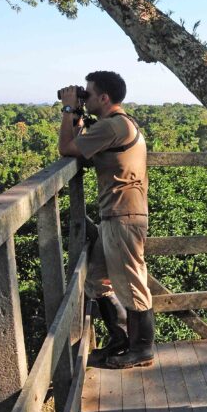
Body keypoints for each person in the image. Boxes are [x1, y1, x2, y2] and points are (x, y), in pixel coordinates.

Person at [58, 71, 154, 369]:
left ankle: (142, 348)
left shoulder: (114, 126)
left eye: (87, 94)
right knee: (98, 278)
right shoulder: (116, 126)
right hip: (115, 215)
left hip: (123, 216)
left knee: (132, 281)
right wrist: (77, 117)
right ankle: (120, 340)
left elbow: (66, 149)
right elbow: (80, 151)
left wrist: (69, 109)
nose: (84, 99)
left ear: (104, 97)